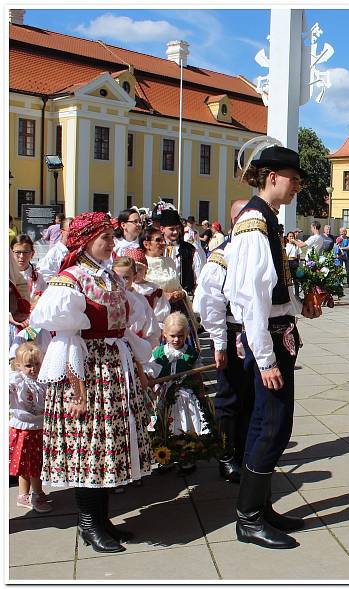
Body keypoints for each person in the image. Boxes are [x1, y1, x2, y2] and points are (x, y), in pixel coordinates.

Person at [29, 212, 153, 553]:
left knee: (108, 447)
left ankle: (102, 519)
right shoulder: (70, 280)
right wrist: (78, 389)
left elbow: (123, 327)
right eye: (105, 238)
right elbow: (64, 339)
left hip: (113, 367)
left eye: (112, 238)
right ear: (85, 242)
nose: (112, 243)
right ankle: (89, 523)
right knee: (90, 447)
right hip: (87, 371)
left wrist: (139, 365)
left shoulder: (108, 276)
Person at [223, 144, 322, 550]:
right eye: (294, 178)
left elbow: (273, 292)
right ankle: (248, 518)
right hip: (267, 340)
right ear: (271, 177)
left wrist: (302, 306)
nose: (298, 186)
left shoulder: (267, 221)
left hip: (279, 333)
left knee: (273, 425)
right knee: (271, 426)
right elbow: (249, 298)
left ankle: (260, 508)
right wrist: (265, 359)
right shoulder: (253, 224)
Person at [194, 199, 252, 484]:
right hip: (231, 332)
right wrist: (218, 343)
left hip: (256, 333)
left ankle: (244, 452)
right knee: (230, 398)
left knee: (252, 397)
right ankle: (227, 456)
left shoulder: (257, 250)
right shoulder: (221, 257)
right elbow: (209, 304)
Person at [146, 311, 214, 475]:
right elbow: (151, 373)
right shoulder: (158, 354)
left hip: (184, 398)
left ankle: (186, 460)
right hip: (164, 396)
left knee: (183, 427)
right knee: (162, 427)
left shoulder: (191, 353)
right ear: (165, 334)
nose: (177, 340)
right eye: (173, 336)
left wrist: (199, 389)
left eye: (181, 336)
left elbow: (197, 374)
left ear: (187, 334)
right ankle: (165, 459)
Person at [9, 342, 53, 513]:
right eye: (28, 365)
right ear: (19, 366)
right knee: (31, 465)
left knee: (34, 463)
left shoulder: (42, 380)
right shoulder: (17, 381)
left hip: (39, 427)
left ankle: (28, 494)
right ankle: (34, 493)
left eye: (37, 364)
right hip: (25, 429)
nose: (33, 369)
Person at [140, 226, 199, 349]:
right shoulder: (142, 263)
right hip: (156, 313)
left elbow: (176, 284)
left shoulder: (169, 261)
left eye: (162, 239)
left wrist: (181, 293)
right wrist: (163, 295)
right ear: (146, 244)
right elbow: (139, 288)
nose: (163, 243)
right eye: (158, 240)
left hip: (177, 309)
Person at [159, 209, 205, 295]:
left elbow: (198, 277)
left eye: (177, 228)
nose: (176, 232)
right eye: (171, 229)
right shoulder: (156, 249)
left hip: (183, 297)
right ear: (162, 229)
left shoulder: (190, 250)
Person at [126, 247, 171, 328]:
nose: (136, 273)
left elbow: (161, 312)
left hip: (150, 327)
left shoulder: (154, 290)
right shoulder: (125, 288)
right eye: (132, 269)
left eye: (139, 269)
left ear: (146, 270)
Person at [38, 217, 72, 283]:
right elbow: (45, 276)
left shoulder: (78, 251)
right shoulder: (54, 253)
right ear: (61, 232)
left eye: (76, 231)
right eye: (70, 230)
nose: (74, 233)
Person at [285, 230, 302, 297]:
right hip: (288, 262)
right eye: (290, 236)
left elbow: (298, 255)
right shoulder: (285, 245)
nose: (291, 238)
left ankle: (297, 295)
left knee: (296, 280)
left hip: (294, 262)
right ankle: (288, 295)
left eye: (292, 236)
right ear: (287, 237)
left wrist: (298, 263)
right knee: (288, 280)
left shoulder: (296, 246)